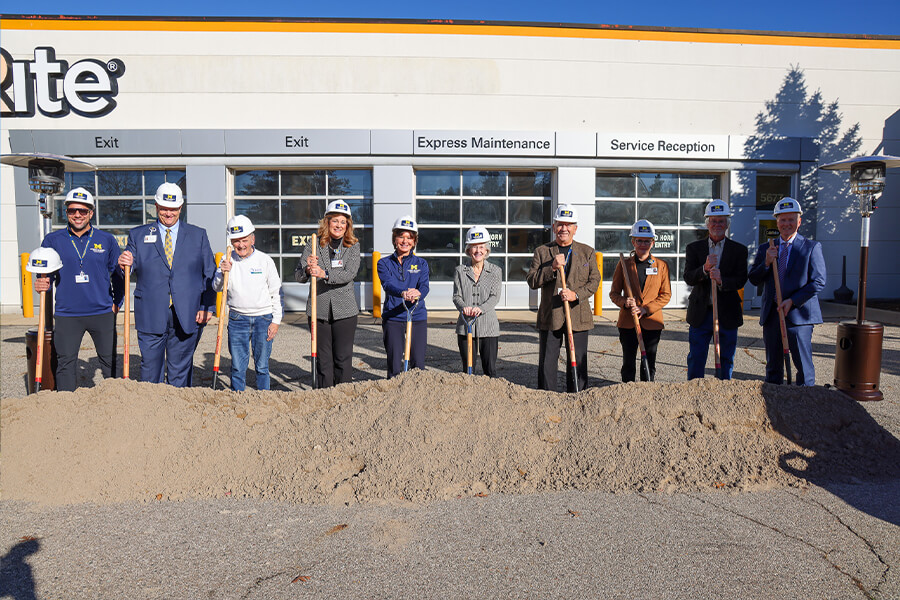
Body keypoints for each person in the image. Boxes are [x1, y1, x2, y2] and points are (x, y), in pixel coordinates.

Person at [118, 182, 216, 387]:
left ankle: (178, 415)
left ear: (181, 208)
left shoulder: (198, 235)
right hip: (151, 312)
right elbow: (129, 268)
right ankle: (151, 414)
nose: (168, 213)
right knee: (149, 370)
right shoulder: (138, 235)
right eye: (164, 208)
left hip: (188, 313)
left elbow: (209, 273)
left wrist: (207, 306)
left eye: (173, 208)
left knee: (180, 370)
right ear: (156, 206)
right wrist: (125, 263)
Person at [33, 187, 124, 391]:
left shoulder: (106, 240)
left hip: (101, 312)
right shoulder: (52, 241)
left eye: (83, 211)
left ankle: (116, 408)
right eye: (72, 210)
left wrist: (117, 302)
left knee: (110, 362)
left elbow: (118, 276)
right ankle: (68, 409)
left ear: (91, 213)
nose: (77, 215)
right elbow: (44, 276)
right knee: (65, 364)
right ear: (66, 212)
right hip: (67, 314)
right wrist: (40, 284)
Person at [748, 197, 826, 386]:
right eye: (783, 220)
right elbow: (753, 278)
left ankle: (804, 406)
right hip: (773, 315)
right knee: (773, 367)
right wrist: (766, 262)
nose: (786, 224)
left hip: (799, 315)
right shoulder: (767, 248)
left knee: (803, 367)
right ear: (777, 221)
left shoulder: (811, 247)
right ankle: (775, 406)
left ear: (799, 221)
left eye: (791, 219)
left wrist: (793, 300)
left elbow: (819, 281)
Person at [526, 204, 601, 392]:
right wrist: (550, 267)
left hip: (578, 316)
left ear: (575, 229)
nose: (564, 229)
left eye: (568, 225)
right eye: (560, 224)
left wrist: (576, 294)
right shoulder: (542, 252)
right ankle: (547, 397)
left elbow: (594, 280)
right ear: (553, 227)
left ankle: (577, 396)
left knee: (578, 361)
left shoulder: (587, 252)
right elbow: (532, 281)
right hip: (551, 317)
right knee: (547, 362)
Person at [295, 200, 361, 387]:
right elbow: (298, 275)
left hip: (345, 310)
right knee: (323, 359)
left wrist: (324, 274)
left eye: (343, 222)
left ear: (347, 225)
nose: (339, 225)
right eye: (335, 221)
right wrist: (308, 269)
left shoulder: (353, 245)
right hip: (319, 309)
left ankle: (343, 395)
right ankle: (324, 395)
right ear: (327, 221)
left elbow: (349, 273)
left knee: (342, 357)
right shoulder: (314, 243)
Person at [214, 215, 282, 391]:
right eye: (236, 241)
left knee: (262, 367)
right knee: (237, 367)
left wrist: (276, 321)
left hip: (263, 319)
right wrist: (222, 273)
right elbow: (216, 287)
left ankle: (264, 401)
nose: (241, 245)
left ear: (253, 238)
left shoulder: (265, 261)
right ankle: (239, 400)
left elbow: (276, 293)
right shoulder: (226, 261)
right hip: (238, 320)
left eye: (244, 240)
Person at [683, 200, 748, 380]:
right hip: (701, 313)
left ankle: (722, 392)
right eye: (713, 221)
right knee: (696, 357)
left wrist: (722, 280)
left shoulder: (739, 250)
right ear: (707, 224)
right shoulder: (694, 248)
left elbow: (742, 279)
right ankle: (695, 391)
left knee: (726, 358)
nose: (717, 225)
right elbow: (688, 277)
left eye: (721, 221)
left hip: (727, 312)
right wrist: (704, 269)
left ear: (727, 224)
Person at [610, 219, 671, 382]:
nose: (643, 244)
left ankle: (647, 394)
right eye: (639, 240)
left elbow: (666, 295)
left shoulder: (661, 266)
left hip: (652, 322)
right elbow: (614, 293)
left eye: (647, 241)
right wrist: (624, 302)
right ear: (633, 242)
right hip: (628, 323)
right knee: (628, 363)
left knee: (649, 363)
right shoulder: (624, 265)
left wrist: (646, 309)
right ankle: (628, 394)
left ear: (653, 242)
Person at [377, 216, 430, 378]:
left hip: (417, 316)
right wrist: (403, 292)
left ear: (414, 241)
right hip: (393, 317)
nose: (405, 241)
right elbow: (387, 284)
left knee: (418, 363)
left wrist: (419, 293)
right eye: (401, 236)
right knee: (394, 363)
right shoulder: (384, 263)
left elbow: (425, 286)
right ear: (395, 239)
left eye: (409, 237)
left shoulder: (421, 263)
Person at [452, 226, 502, 376]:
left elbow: (495, 297)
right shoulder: (460, 271)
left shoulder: (495, 271)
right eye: (474, 247)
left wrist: (481, 308)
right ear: (468, 250)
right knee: (468, 370)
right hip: (466, 324)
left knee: (490, 370)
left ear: (487, 250)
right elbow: (456, 296)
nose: (478, 251)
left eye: (481, 247)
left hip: (489, 326)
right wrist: (463, 308)